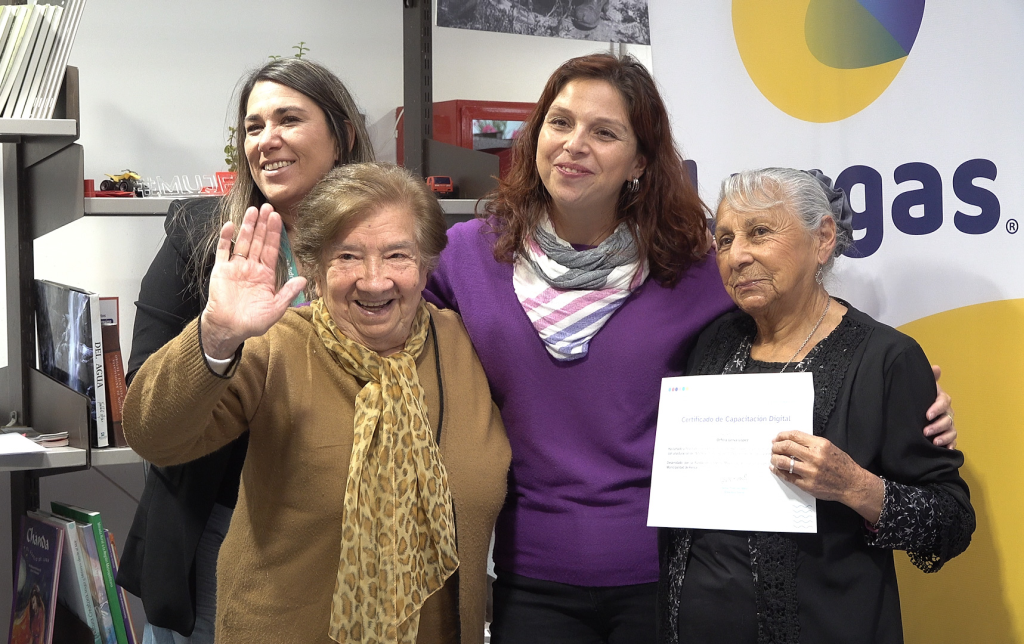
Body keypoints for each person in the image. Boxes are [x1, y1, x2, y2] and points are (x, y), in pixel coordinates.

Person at [424, 53, 958, 644]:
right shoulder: (467, 256)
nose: (575, 145)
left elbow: (803, 335)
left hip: (666, 579)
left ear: (641, 161)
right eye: (559, 122)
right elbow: (397, 345)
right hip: (529, 575)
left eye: (605, 132)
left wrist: (904, 401)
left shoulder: (695, 267)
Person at [123, 162, 511, 644]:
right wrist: (217, 335)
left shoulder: (462, 344)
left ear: (428, 262)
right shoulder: (277, 345)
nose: (374, 281)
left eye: (397, 255)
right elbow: (153, 435)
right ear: (314, 266)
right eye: (347, 256)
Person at [116, 57, 375, 644]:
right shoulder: (200, 238)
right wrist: (218, 335)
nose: (268, 140)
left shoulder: (386, 246)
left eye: (288, 119)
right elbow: (142, 401)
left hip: (351, 528)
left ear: (344, 135)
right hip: (220, 521)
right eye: (253, 126)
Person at [657, 168, 975, 643]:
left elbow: (951, 523)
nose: (737, 256)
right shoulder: (712, 344)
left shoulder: (886, 358)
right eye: (723, 240)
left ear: (823, 238)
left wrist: (857, 487)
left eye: (759, 232)